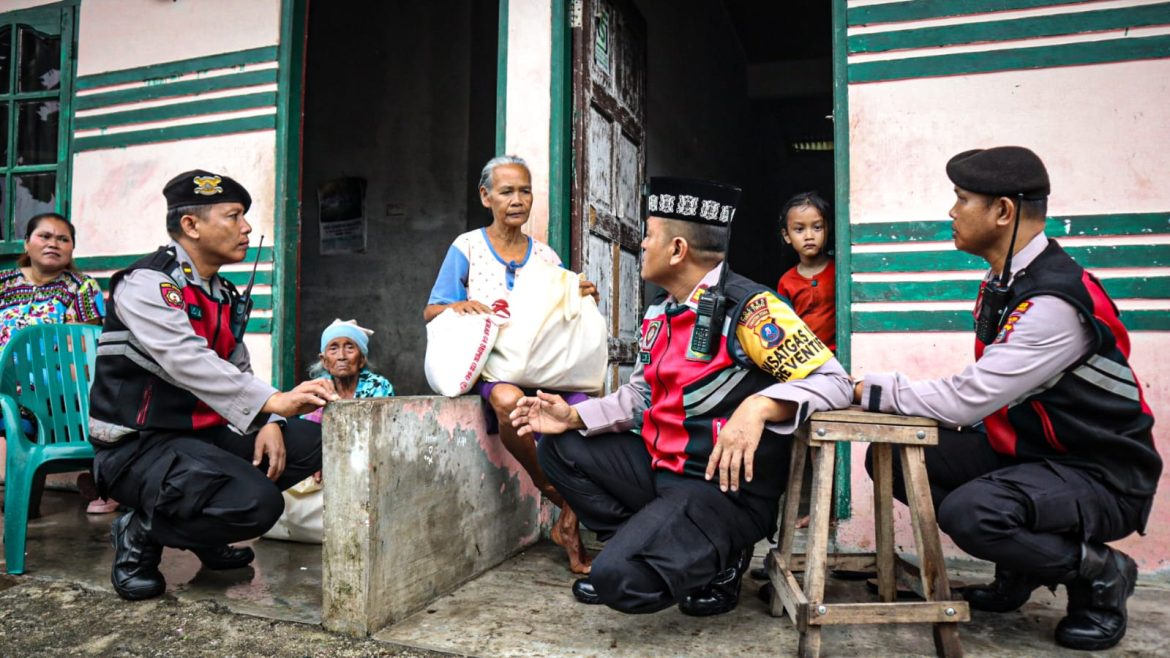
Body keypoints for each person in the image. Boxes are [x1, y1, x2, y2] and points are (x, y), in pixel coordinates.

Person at [853, 146, 1160, 651]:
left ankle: (1100, 575)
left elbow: (967, 400)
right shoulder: (1010, 280)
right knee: (894, 457)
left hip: (1101, 471)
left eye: (962, 199)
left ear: (1002, 211)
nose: (951, 212)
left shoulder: (1051, 303)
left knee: (973, 513)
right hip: (1036, 453)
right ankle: (1021, 567)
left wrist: (874, 389)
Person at [511, 177, 852, 616]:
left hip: (721, 491)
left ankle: (722, 559)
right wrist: (572, 417)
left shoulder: (751, 308)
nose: (640, 246)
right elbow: (641, 394)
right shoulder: (660, 308)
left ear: (677, 250)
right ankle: (660, 546)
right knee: (561, 447)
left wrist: (761, 405)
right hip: (663, 472)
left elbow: (835, 381)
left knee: (617, 579)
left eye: (648, 236)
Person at [87, 169, 339, 601]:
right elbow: (187, 360)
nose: (245, 228)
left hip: (199, 439)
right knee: (258, 504)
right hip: (138, 448)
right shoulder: (148, 283)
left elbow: (236, 368)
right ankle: (140, 532)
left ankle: (201, 531)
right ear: (191, 225)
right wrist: (275, 399)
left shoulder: (221, 293)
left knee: (318, 440)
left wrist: (270, 420)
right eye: (234, 216)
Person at [424, 155, 598, 574]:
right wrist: (458, 305)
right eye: (506, 191)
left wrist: (582, 292)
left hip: (542, 367)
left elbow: (561, 315)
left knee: (589, 414)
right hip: (494, 367)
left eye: (524, 190)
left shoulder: (545, 256)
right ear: (486, 197)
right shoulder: (466, 247)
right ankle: (552, 489)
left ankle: (570, 519)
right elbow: (431, 311)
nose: (517, 200)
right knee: (507, 398)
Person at [0, 212, 119, 514]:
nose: (54, 243)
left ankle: (27, 502)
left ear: (71, 250)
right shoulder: (2, 283)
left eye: (63, 239)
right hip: (3, 385)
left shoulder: (80, 287)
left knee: (36, 418)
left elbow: (85, 349)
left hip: (55, 390)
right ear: (27, 244)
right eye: (45, 236)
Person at [776, 191, 835, 352]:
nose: (809, 236)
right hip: (805, 360)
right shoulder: (786, 282)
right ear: (787, 236)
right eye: (799, 229)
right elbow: (785, 326)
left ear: (827, 229)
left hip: (837, 356)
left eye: (817, 227)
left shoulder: (838, 272)